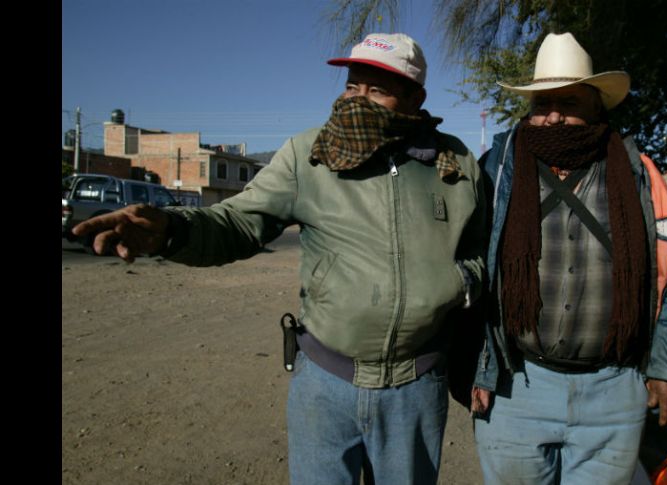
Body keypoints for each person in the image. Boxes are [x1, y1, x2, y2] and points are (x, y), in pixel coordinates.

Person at [72, 33, 486, 485]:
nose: (358, 100)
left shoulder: (456, 163)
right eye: (352, 86)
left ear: (414, 98)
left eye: (378, 89)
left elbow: (483, 253)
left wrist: (456, 282)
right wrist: (173, 231)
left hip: (416, 385)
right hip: (326, 384)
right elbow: (236, 223)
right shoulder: (308, 155)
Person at [468, 32, 667, 485]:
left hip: (615, 391)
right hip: (520, 387)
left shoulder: (640, 178)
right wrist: (480, 364)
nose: (553, 116)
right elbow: (475, 272)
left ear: (596, 106)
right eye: (541, 104)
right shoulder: (496, 172)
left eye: (569, 103)